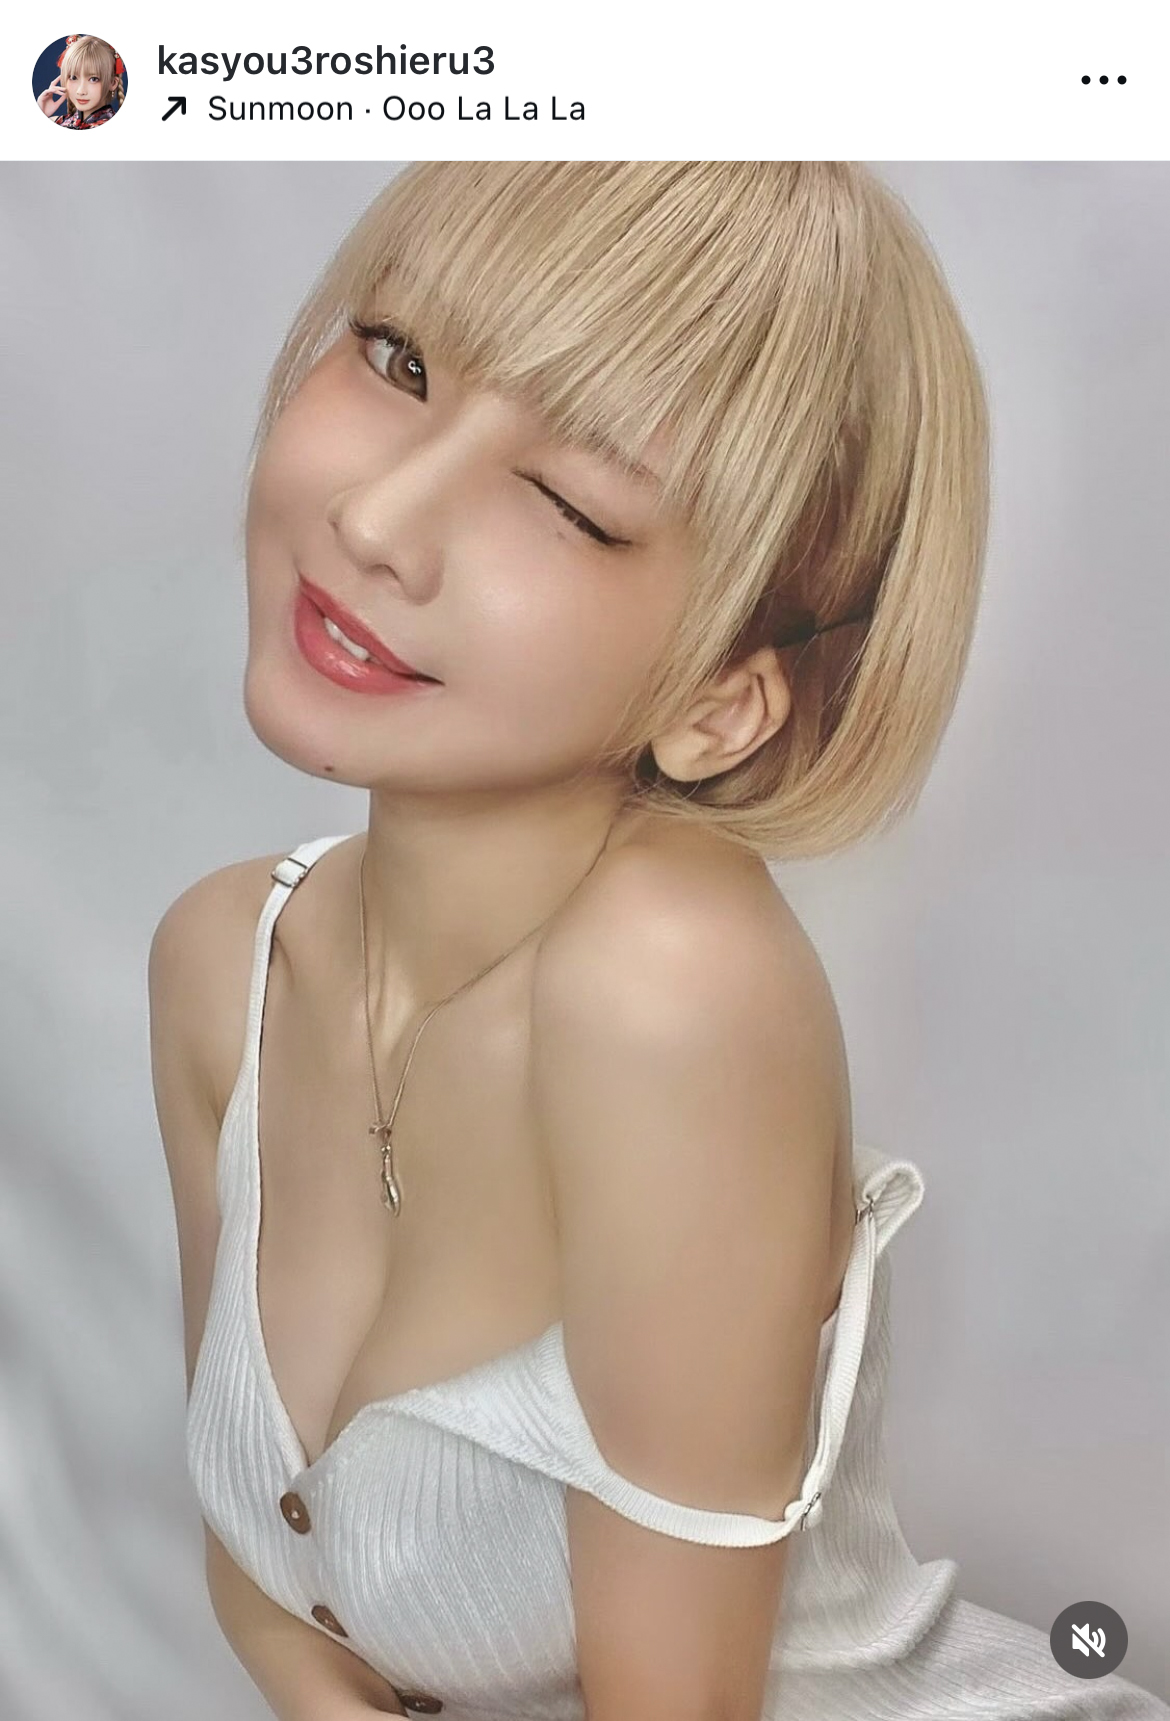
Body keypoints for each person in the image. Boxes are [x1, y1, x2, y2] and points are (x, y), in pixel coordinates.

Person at [149, 162, 1168, 1721]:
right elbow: (271, 1573)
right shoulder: (225, 962)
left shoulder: (669, 986)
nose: (374, 518)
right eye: (397, 360)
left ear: (720, 704)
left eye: (567, 502)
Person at [37, 35, 124, 129]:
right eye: (73, 77)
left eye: (93, 79)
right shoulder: (56, 122)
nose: (81, 91)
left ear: (112, 83)